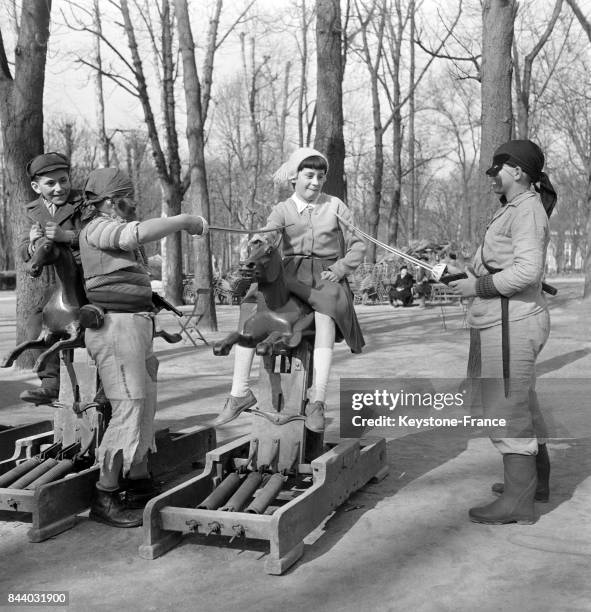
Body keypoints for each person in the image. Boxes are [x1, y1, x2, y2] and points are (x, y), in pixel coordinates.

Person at [79, 167, 208, 528]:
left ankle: (138, 481)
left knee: (145, 404)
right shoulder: (97, 227)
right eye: (128, 194)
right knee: (128, 407)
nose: (133, 201)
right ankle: (105, 495)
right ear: (110, 200)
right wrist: (182, 220)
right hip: (115, 330)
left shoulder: (109, 227)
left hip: (135, 327)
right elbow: (132, 234)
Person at [213, 147, 366, 432]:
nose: (316, 182)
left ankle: (317, 400)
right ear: (294, 178)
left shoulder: (336, 206)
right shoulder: (282, 209)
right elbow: (271, 232)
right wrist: (260, 240)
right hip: (289, 273)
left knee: (326, 312)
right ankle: (239, 393)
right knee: (250, 305)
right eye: (309, 175)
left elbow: (358, 243)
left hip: (325, 275)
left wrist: (341, 268)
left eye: (321, 176)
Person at [449, 139, 557, 525]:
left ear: (517, 171)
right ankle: (533, 486)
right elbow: (496, 264)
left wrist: (476, 287)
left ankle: (518, 502)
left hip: (513, 320)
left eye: (498, 169)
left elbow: (528, 271)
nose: (493, 176)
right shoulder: (513, 210)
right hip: (507, 317)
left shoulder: (526, 210)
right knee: (521, 402)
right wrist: (463, 274)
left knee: (506, 408)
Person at [17, 152, 85, 405]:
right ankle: (50, 383)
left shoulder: (83, 203)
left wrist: (67, 236)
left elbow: (97, 233)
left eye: (63, 180)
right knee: (35, 324)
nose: (59, 188)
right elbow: (23, 250)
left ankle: (103, 384)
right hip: (50, 284)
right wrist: (33, 246)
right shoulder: (32, 211)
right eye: (50, 183)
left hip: (84, 279)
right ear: (36, 187)